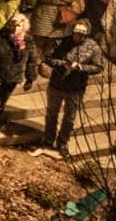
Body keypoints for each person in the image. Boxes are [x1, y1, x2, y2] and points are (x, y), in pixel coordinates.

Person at [40, 20, 103, 155]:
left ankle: (63, 142)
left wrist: (82, 68)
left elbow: (98, 67)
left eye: (81, 34)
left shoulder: (94, 47)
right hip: (57, 84)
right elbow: (48, 58)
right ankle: (48, 139)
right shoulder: (61, 42)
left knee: (70, 117)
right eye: (76, 33)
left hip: (76, 87)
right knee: (52, 113)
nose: (78, 36)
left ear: (86, 34)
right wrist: (63, 64)